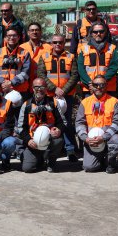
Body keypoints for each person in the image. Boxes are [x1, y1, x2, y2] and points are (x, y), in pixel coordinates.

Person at [37, 33, 80, 162]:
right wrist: (54, 89)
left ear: (64, 43)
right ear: (51, 43)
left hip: (66, 96)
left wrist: (64, 90)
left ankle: (70, 150)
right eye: (55, 42)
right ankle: (51, 149)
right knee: (49, 121)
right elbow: (41, 74)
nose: (57, 44)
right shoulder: (44, 57)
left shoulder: (71, 57)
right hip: (50, 96)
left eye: (60, 42)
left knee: (66, 122)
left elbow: (74, 75)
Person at [16, 78, 65, 173]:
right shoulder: (26, 105)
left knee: (59, 140)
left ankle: (50, 162)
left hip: (49, 139)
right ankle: (39, 159)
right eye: (36, 87)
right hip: (33, 141)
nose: (39, 89)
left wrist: (59, 129)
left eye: (42, 87)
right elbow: (20, 127)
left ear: (46, 88)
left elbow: (63, 122)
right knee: (28, 169)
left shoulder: (53, 103)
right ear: (32, 88)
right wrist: (28, 140)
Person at [75, 75, 118, 173]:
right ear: (91, 86)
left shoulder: (114, 101)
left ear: (106, 86)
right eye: (95, 85)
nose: (98, 87)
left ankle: (110, 162)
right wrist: (85, 138)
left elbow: (117, 122)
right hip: (91, 140)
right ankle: (100, 159)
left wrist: (104, 137)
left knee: (117, 139)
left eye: (102, 85)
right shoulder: (85, 102)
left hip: (108, 138)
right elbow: (79, 123)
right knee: (89, 168)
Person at [77, 22, 118, 98]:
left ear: (105, 33)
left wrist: (101, 82)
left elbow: (114, 67)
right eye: (95, 32)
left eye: (101, 31)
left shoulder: (112, 48)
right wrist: (91, 84)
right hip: (89, 89)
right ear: (91, 33)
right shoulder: (84, 48)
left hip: (108, 88)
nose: (98, 34)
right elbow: (81, 69)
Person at [0, 27, 32, 100]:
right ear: (5, 38)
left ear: (18, 37)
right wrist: (3, 82)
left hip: (20, 91)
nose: (11, 38)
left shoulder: (25, 53)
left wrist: (11, 83)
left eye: (14, 35)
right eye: (9, 36)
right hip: (2, 90)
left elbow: (26, 73)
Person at [20, 22, 52, 91]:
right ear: (28, 33)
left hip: (42, 86)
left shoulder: (48, 48)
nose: (34, 32)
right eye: (32, 30)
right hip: (25, 86)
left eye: (37, 30)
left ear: (41, 32)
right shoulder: (21, 48)